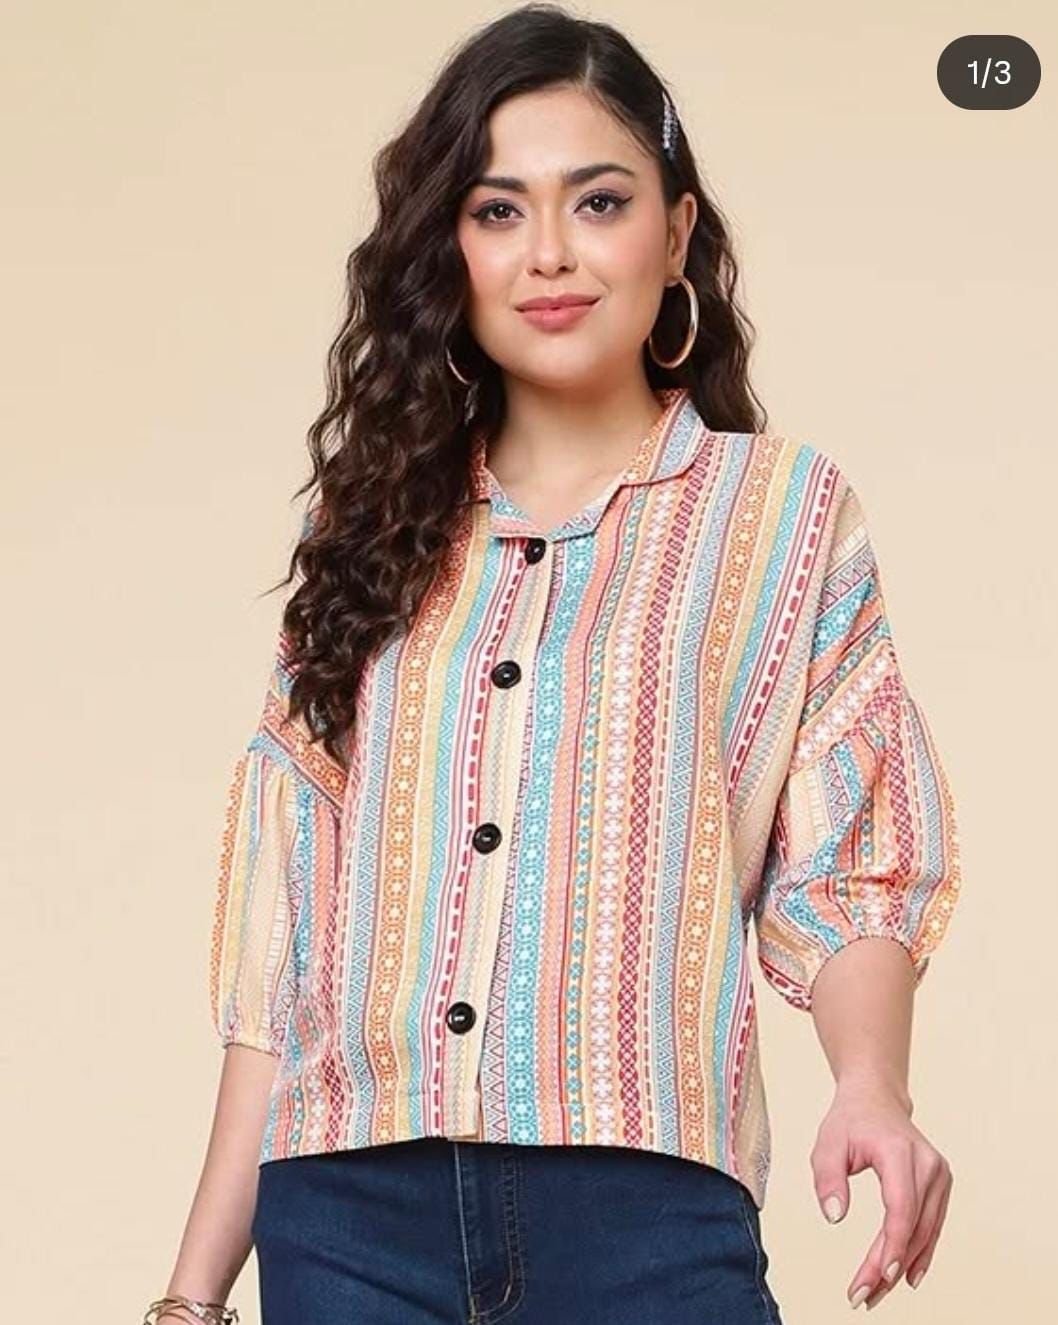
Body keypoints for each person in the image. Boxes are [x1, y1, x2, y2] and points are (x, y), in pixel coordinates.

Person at [145, 5, 962, 1323]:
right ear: (450, 249)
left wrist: (872, 1084)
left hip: (645, 1220)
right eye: (496, 211)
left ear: (674, 234)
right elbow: (284, 963)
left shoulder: (780, 517)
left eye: (598, 202)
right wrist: (191, 1299)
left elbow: (851, 862)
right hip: (345, 1221)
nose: (548, 255)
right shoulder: (367, 536)